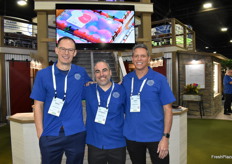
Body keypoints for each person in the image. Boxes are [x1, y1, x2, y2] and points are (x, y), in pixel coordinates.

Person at [30, 36, 91, 164]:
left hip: (76, 133)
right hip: (51, 133)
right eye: (63, 49)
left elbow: (92, 88)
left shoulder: (80, 72)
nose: (66, 53)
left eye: (70, 50)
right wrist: (41, 135)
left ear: (75, 53)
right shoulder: (43, 75)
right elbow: (38, 105)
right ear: (56, 50)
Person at [122, 44, 176, 164]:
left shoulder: (159, 79)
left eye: (142, 56)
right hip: (132, 136)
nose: (139, 59)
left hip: (156, 137)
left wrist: (165, 137)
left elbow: (168, 110)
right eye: (136, 56)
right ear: (132, 58)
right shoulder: (126, 80)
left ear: (148, 58)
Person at [82, 60, 126, 164]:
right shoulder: (87, 90)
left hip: (117, 143)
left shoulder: (122, 90)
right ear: (94, 75)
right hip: (95, 144)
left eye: (104, 70)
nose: (101, 74)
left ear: (110, 72)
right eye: (97, 71)